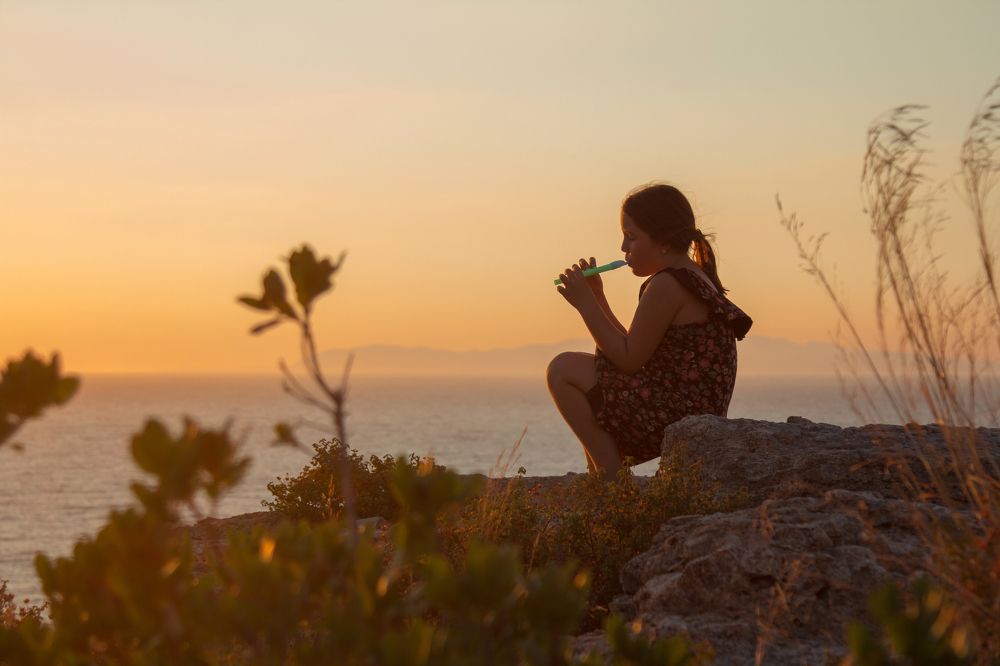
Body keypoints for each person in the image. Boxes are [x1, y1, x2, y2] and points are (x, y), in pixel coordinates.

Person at [547, 182, 752, 479]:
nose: (623, 248)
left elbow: (629, 360)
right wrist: (597, 298)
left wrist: (585, 306)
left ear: (664, 241)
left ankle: (610, 479)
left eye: (631, 237)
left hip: (673, 412)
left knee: (562, 369)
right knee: (575, 371)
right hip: (681, 403)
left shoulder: (667, 284)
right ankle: (602, 475)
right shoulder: (690, 276)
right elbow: (632, 347)